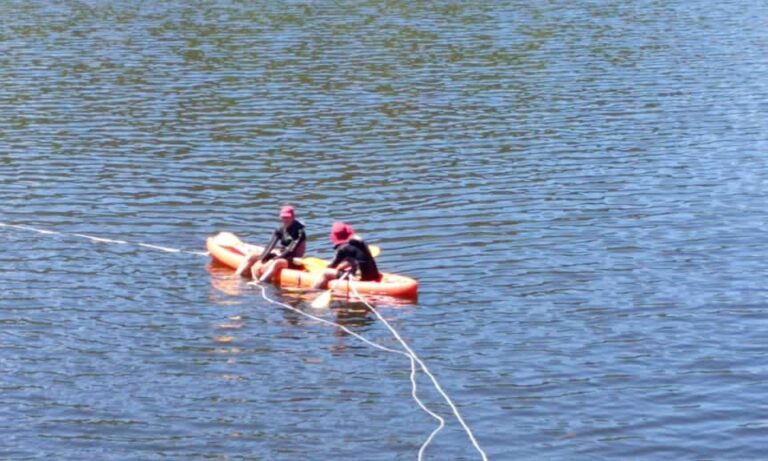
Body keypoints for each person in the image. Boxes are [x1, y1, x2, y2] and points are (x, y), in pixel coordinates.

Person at [235, 205, 306, 282]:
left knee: (276, 263)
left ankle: (260, 282)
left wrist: (273, 259)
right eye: (284, 217)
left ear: (293, 217)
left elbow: (290, 250)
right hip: (281, 255)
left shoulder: (299, 232)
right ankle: (236, 277)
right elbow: (270, 245)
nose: (285, 220)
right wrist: (261, 259)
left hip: (293, 260)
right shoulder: (280, 229)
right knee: (251, 256)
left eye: (288, 217)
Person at [312, 222, 381, 289]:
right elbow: (356, 260)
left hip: (362, 279)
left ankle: (313, 290)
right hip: (374, 275)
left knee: (325, 273)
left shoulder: (343, 248)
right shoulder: (359, 243)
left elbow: (332, 266)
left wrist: (328, 268)